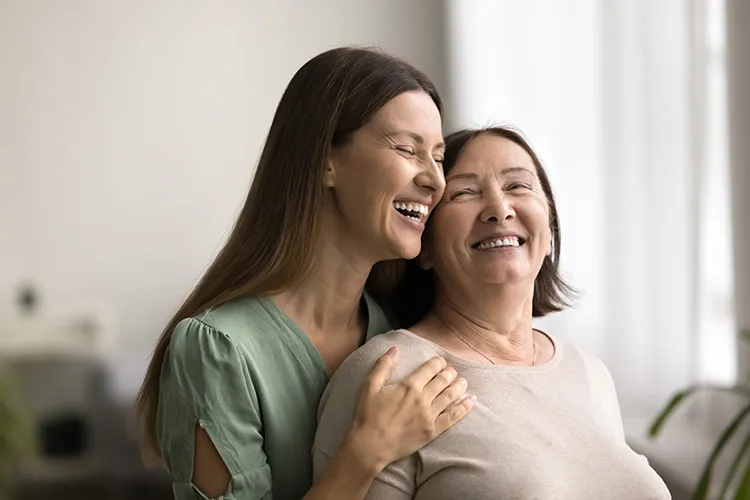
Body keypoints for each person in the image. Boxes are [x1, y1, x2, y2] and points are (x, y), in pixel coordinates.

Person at [135, 47, 476, 500]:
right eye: (407, 149)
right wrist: (365, 453)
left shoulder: (402, 329)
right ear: (325, 161)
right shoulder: (217, 350)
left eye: (437, 157)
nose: (435, 180)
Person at [313, 126, 672, 499]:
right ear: (425, 245)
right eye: (464, 193)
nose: (500, 209)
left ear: (549, 230)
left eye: (518, 186)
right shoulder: (392, 372)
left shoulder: (590, 373)